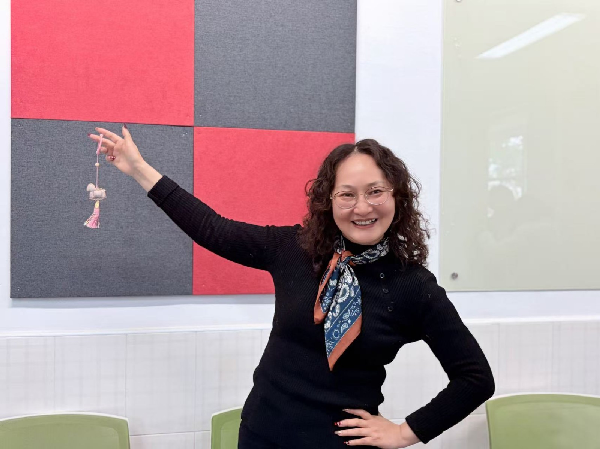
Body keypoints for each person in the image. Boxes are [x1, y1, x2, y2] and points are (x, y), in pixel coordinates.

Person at [88, 125, 495, 448]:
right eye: (347, 195)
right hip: (262, 435)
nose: (362, 207)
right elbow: (211, 228)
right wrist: (138, 169)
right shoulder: (295, 250)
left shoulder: (413, 286)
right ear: (329, 202)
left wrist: (406, 432)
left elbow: (475, 378)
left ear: (397, 197)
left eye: (375, 192)